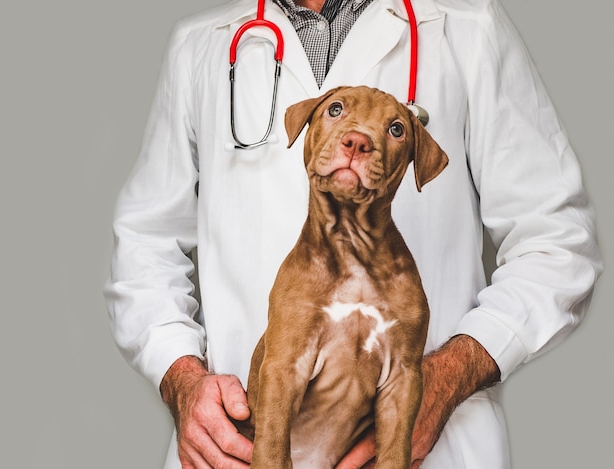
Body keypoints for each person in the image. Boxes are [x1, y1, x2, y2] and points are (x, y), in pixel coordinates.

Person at [104, 0, 602, 467]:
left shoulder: (468, 24)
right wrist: (181, 377)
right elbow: (146, 244)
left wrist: (447, 377)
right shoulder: (201, 44)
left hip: (429, 450)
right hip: (241, 446)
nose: (356, 138)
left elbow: (557, 242)